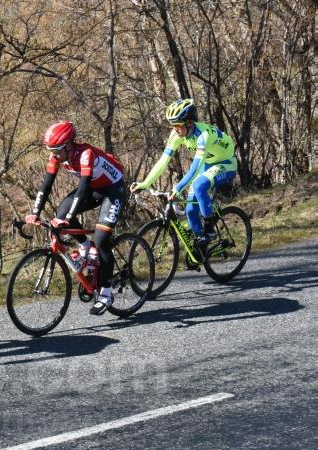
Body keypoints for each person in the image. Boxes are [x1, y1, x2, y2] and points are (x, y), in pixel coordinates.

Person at [25, 120, 127, 315]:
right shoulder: (57, 157)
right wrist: (35, 212)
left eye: (57, 149)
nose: (54, 154)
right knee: (60, 212)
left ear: (69, 144)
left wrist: (69, 217)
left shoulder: (86, 154)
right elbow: (46, 186)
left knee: (102, 239)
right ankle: (85, 248)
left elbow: (82, 189)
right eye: (51, 149)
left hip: (113, 189)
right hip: (94, 188)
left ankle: (106, 294)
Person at [131, 99, 237, 255]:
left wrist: (179, 187)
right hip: (208, 163)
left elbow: (194, 168)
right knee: (190, 210)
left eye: (178, 125)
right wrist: (145, 183)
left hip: (226, 162)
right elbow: (163, 161)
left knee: (199, 185)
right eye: (173, 125)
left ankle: (209, 230)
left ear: (189, 123)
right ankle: (201, 250)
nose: (175, 129)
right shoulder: (176, 134)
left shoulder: (203, 135)